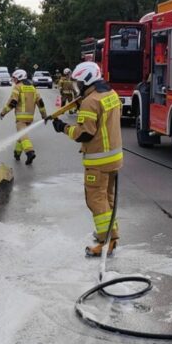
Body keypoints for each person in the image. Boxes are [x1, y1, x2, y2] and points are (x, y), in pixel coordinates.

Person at [51, 61, 123, 257]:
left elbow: (85, 134)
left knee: (96, 201)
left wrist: (63, 128)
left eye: (80, 83)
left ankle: (104, 242)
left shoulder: (90, 102)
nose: (78, 87)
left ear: (88, 81)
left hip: (98, 161)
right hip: (114, 158)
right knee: (107, 199)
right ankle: (111, 236)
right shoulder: (111, 94)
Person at [0, 69, 47, 165]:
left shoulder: (18, 87)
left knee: (23, 135)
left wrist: (3, 112)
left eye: (15, 78)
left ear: (19, 77)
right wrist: (44, 116)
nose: (14, 80)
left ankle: (29, 152)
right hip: (30, 118)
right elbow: (41, 103)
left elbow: (12, 102)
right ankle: (17, 153)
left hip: (20, 118)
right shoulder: (33, 88)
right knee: (21, 135)